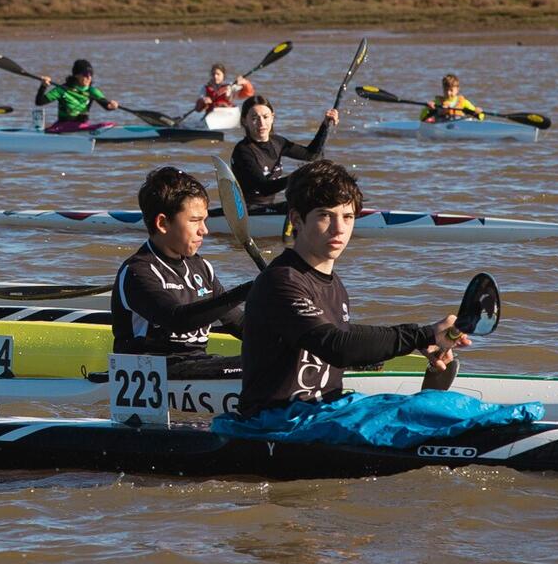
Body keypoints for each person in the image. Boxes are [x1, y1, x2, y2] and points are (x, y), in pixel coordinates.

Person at [236, 161, 465, 418]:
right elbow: (336, 346)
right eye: (325, 215)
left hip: (323, 414)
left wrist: (420, 342)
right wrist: (422, 335)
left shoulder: (336, 286)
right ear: (296, 219)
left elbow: (341, 334)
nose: (339, 229)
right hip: (274, 423)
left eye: (347, 217)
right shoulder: (281, 281)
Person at [113, 167, 250, 377]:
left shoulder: (201, 267)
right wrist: (246, 290)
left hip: (195, 364)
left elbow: (238, 324)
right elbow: (176, 319)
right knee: (259, 367)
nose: (204, 230)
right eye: (195, 220)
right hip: (153, 371)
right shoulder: (137, 272)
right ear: (162, 223)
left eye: (204, 220)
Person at [231, 95, 338, 209]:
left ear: (272, 118)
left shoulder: (278, 142)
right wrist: (300, 176)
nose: (261, 123)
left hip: (267, 208)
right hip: (245, 212)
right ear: (244, 121)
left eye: (265, 117)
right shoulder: (243, 151)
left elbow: (312, 155)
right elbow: (264, 188)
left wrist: (325, 125)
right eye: (254, 118)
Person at [35, 59, 123, 133]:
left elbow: (106, 106)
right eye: (86, 74)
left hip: (82, 126)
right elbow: (39, 102)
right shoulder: (62, 89)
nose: (89, 78)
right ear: (76, 75)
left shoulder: (91, 91)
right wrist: (43, 86)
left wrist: (112, 106)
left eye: (91, 75)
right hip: (62, 127)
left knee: (109, 124)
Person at [420, 74, 484, 122]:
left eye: (451, 90)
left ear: (457, 90)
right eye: (446, 90)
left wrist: (478, 113)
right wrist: (427, 109)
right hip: (441, 127)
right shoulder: (437, 102)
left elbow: (481, 117)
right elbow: (421, 118)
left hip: (459, 127)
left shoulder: (464, 102)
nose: (448, 93)